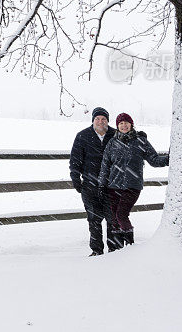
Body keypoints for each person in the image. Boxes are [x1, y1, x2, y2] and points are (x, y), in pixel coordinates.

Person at [98, 112, 169, 248]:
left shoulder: (140, 141)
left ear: (131, 124)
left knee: (121, 214)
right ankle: (118, 250)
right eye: (121, 123)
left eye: (126, 123)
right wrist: (102, 184)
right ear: (117, 126)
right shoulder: (112, 142)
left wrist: (168, 159)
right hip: (114, 186)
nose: (124, 126)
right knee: (114, 218)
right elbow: (105, 165)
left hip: (132, 185)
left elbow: (154, 160)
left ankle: (130, 246)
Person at [70, 107, 118, 256]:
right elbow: (75, 161)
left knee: (113, 219)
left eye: (103, 119)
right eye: (97, 119)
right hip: (90, 186)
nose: (100, 121)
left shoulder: (116, 135)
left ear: (107, 121)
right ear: (93, 120)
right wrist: (76, 180)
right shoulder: (83, 136)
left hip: (112, 186)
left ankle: (114, 250)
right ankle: (96, 250)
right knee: (94, 220)